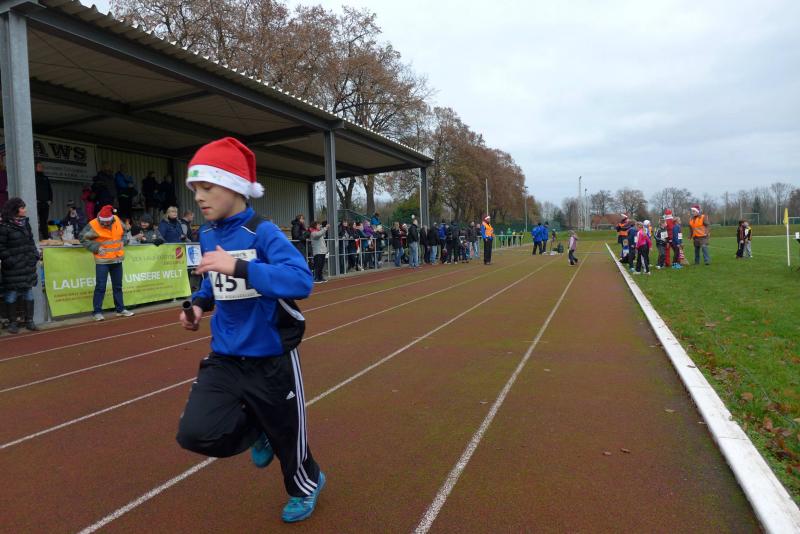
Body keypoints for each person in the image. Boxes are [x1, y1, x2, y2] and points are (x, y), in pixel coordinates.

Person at [175, 138, 324, 524]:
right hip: (226, 354)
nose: (199, 198)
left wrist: (240, 267)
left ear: (234, 186)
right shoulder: (207, 235)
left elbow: (300, 281)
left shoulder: (264, 232)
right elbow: (212, 282)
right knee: (195, 432)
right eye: (195, 190)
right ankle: (258, 426)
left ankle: (306, 486)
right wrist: (198, 304)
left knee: (288, 435)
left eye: (207, 187)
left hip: (271, 354)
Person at [79, 204, 135, 321]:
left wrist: (124, 240)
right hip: (102, 261)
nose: (105, 224)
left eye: (107, 222)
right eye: (103, 222)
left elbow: (124, 232)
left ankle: (120, 309)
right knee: (100, 286)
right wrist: (96, 247)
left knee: (118, 286)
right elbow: (82, 238)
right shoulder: (93, 224)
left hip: (117, 259)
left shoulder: (117, 220)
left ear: (112, 218)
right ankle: (97, 312)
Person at [0, 198, 40, 332]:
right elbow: (1, 247)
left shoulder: (25, 224)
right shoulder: (4, 226)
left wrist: (35, 254)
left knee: (28, 292)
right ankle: (12, 323)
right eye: (22, 208)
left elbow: (31, 241)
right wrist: (10, 261)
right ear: (15, 209)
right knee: (11, 294)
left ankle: (29, 321)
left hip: (27, 265)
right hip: (13, 268)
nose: (25, 210)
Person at [34, 161, 53, 240]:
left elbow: (49, 190)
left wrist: (50, 200)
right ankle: (35, 238)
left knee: (44, 221)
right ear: (35, 167)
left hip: (45, 203)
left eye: (42, 166)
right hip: (36, 202)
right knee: (34, 220)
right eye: (39, 166)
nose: (41, 168)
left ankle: (45, 238)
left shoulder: (45, 178)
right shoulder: (33, 177)